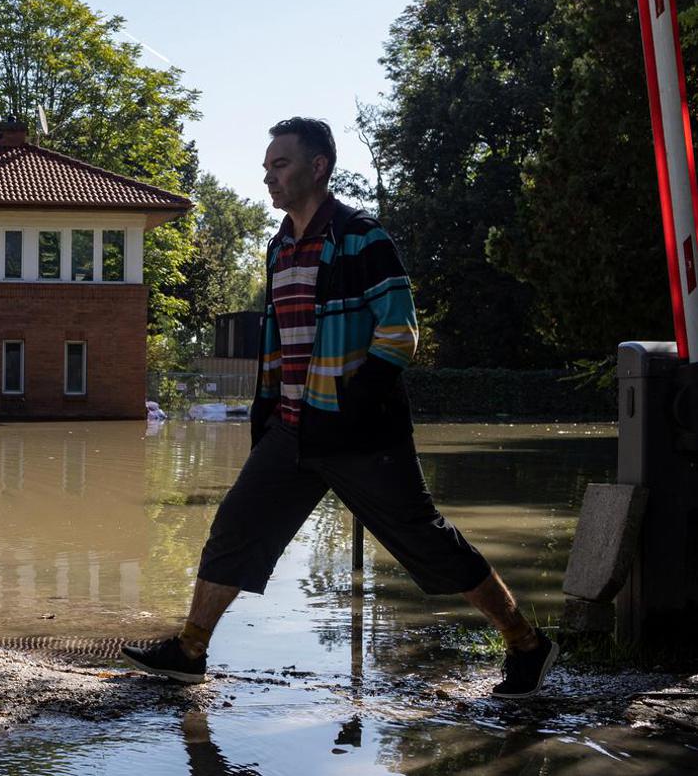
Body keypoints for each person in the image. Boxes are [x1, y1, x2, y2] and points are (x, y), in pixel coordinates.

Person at [122, 117, 558, 699]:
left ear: (317, 166)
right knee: (235, 528)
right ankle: (190, 650)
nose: (268, 178)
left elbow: (400, 333)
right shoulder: (279, 245)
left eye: (280, 165)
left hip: (360, 433)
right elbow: (278, 342)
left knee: (425, 540)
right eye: (267, 167)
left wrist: (353, 409)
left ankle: (528, 645)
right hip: (291, 433)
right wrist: (269, 414)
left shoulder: (363, 238)